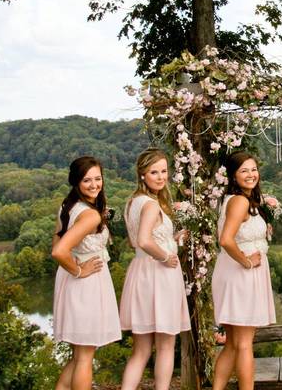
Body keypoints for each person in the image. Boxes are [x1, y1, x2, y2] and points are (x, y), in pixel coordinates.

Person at [118, 149, 190, 390]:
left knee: (140, 350)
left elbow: (133, 242)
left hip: (140, 273)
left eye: (164, 171)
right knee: (166, 345)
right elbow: (144, 241)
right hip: (159, 274)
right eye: (154, 172)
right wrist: (167, 256)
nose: (161, 177)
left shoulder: (132, 203)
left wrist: (172, 237)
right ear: (142, 175)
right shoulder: (150, 205)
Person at [51, 155, 122, 390]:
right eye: (86, 180)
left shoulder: (68, 206)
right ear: (76, 182)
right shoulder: (89, 214)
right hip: (85, 285)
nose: (94, 185)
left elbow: (57, 244)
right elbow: (59, 251)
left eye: (98, 179)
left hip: (72, 285)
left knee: (78, 355)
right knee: (84, 357)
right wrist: (80, 271)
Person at [211, 151, 276, 390]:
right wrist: (247, 262)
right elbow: (226, 240)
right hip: (241, 274)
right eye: (244, 171)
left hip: (232, 273)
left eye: (253, 169)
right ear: (232, 175)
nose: (251, 175)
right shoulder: (239, 201)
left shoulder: (235, 199)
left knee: (232, 344)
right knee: (245, 344)